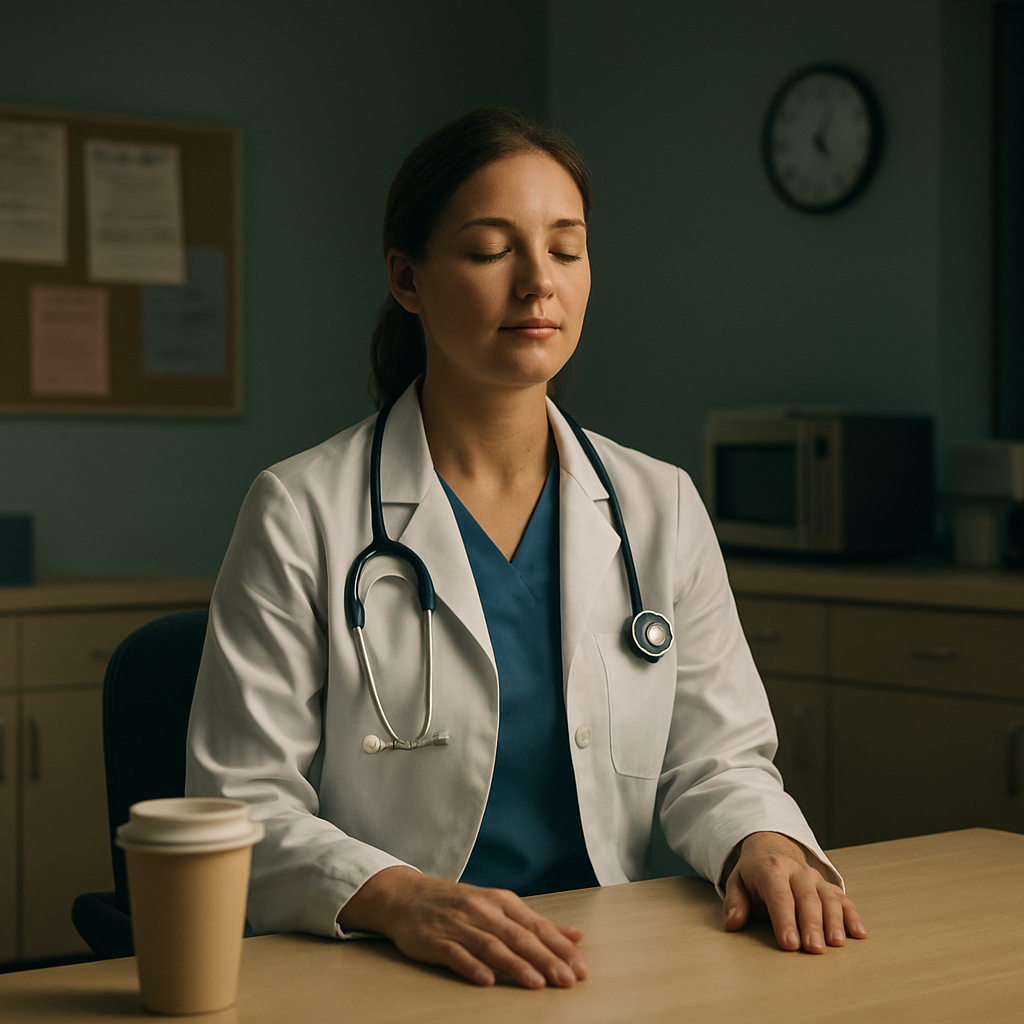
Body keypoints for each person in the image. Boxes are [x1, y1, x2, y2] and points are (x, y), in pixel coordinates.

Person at [185, 107, 865, 990]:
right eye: (489, 250)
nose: (538, 282)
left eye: (566, 249)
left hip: (600, 965)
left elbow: (718, 758)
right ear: (408, 278)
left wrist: (761, 839)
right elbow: (240, 804)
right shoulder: (300, 512)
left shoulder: (657, 506)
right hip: (389, 969)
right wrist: (401, 898)